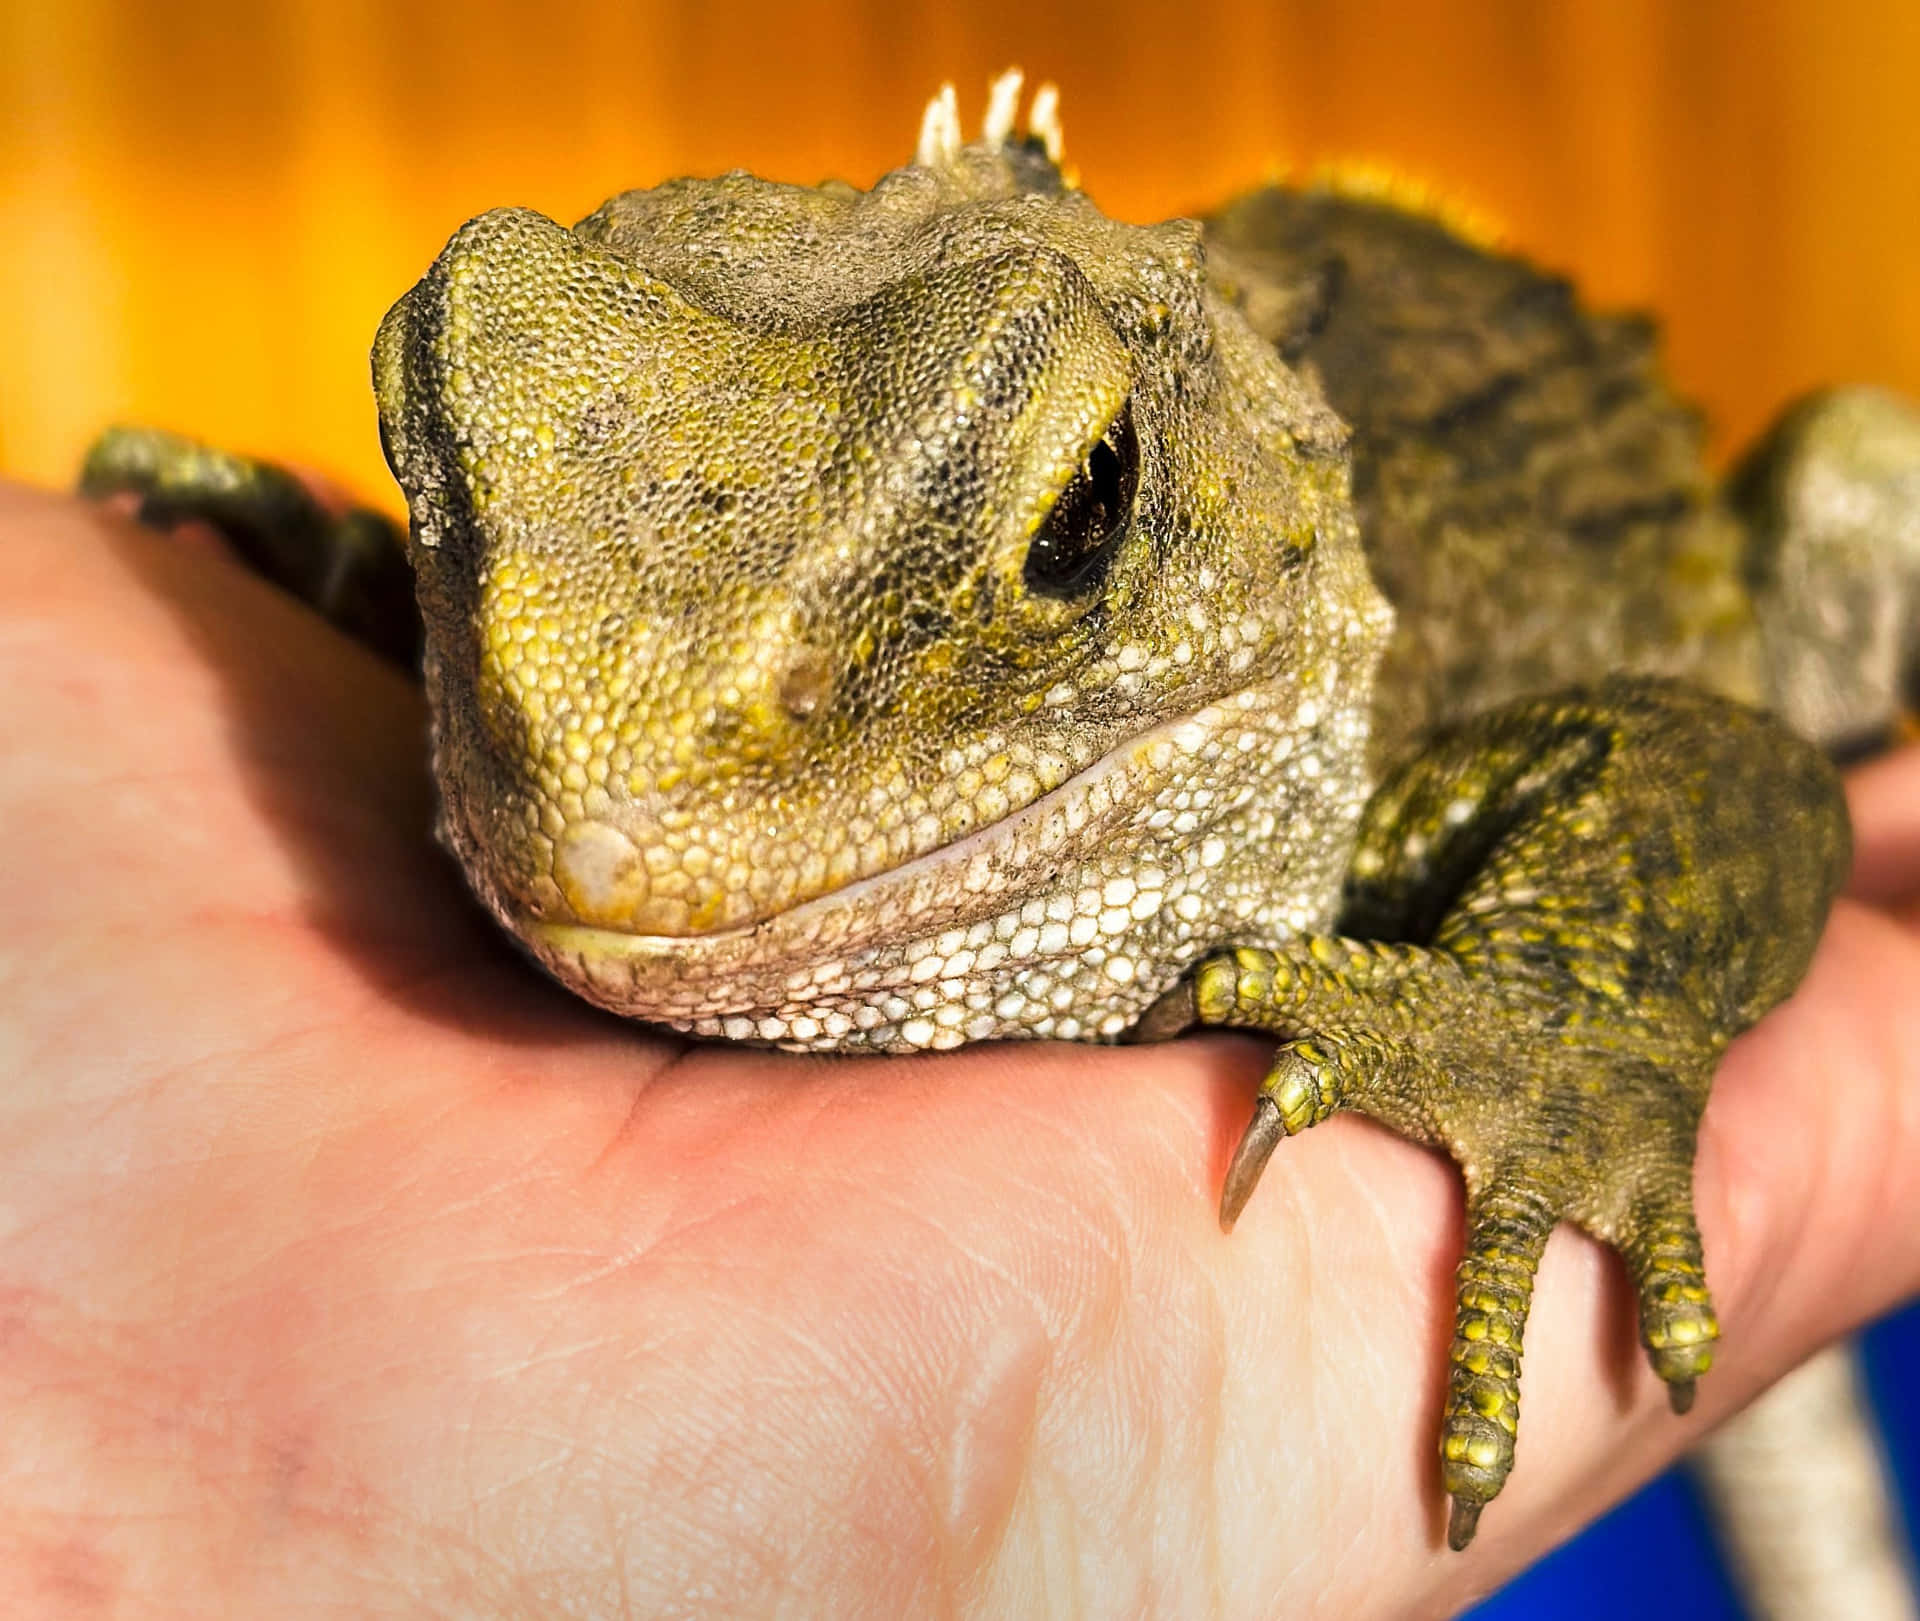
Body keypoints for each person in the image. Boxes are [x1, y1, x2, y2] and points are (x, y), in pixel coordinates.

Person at [1, 477, 1916, 1617]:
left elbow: (1718, 776)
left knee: (1859, 476)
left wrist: (1561, 1019)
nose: (601, 844)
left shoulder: (1344, 716)